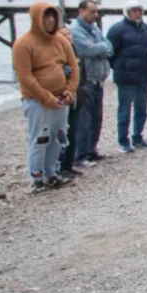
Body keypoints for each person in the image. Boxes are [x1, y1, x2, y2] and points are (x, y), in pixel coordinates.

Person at [11, 2, 79, 192]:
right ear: (37, 19)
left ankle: (52, 173)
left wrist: (70, 91)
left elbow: (74, 67)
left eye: (53, 16)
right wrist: (46, 97)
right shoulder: (23, 44)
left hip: (61, 97)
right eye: (46, 17)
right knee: (40, 138)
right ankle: (36, 176)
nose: (50, 20)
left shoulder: (61, 41)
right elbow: (25, 77)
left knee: (58, 138)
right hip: (37, 101)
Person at [107, 0, 147, 153]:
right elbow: (110, 52)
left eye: (139, 10)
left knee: (142, 109)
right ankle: (123, 141)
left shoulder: (146, 29)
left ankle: (137, 137)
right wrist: (120, 67)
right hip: (126, 77)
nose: (137, 13)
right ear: (127, 12)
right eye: (134, 10)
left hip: (143, 75)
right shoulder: (117, 29)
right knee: (124, 110)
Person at [69, 0, 112, 166]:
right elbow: (88, 49)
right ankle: (80, 155)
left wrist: (99, 48)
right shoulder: (75, 30)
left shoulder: (95, 29)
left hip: (99, 80)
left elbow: (109, 46)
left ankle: (91, 149)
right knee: (84, 121)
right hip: (86, 80)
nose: (96, 15)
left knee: (96, 118)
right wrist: (100, 48)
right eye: (92, 12)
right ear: (81, 11)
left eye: (96, 12)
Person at [56, 27, 86, 181]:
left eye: (68, 34)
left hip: (77, 97)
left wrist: (84, 90)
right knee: (62, 133)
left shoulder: (75, 52)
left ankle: (69, 164)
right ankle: (59, 167)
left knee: (73, 132)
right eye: (63, 34)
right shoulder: (56, 54)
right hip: (63, 98)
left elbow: (82, 73)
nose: (67, 36)